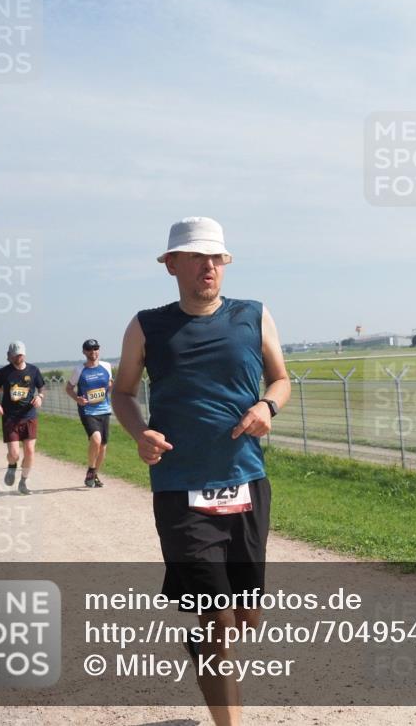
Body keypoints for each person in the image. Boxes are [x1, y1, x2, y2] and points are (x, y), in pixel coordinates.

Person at [112, 217, 290, 726]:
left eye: (215, 257)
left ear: (225, 263)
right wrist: (140, 433)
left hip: (246, 482)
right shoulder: (147, 325)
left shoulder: (253, 316)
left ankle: (206, 635)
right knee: (216, 618)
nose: (207, 266)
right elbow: (123, 392)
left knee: (245, 616)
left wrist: (267, 408)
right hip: (179, 487)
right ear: (171, 265)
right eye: (194, 257)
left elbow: (280, 380)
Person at [0, 341, 46, 495]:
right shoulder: (3, 372)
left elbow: (41, 386)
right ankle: (11, 466)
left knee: (30, 451)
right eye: (16, 355)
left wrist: (40, 396)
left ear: (24, 354)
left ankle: (23, 481)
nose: (19, 357)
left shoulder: (34, 370)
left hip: (29, 415)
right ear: (9, 356)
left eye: (21, 354)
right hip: (10, 417)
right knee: (14, 454)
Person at [65, 338, 114, 488]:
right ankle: (91, 469)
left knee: (103, 446)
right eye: (90, 349)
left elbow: (110, 383)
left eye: (96, 349)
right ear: (84, 352)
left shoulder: (106, 366)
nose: (93, 352)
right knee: (96, 439)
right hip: (87, 410)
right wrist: (77, 399)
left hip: (104, 410)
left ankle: (94, 475)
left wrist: (110, 388)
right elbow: (68, 388)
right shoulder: (79, 370)